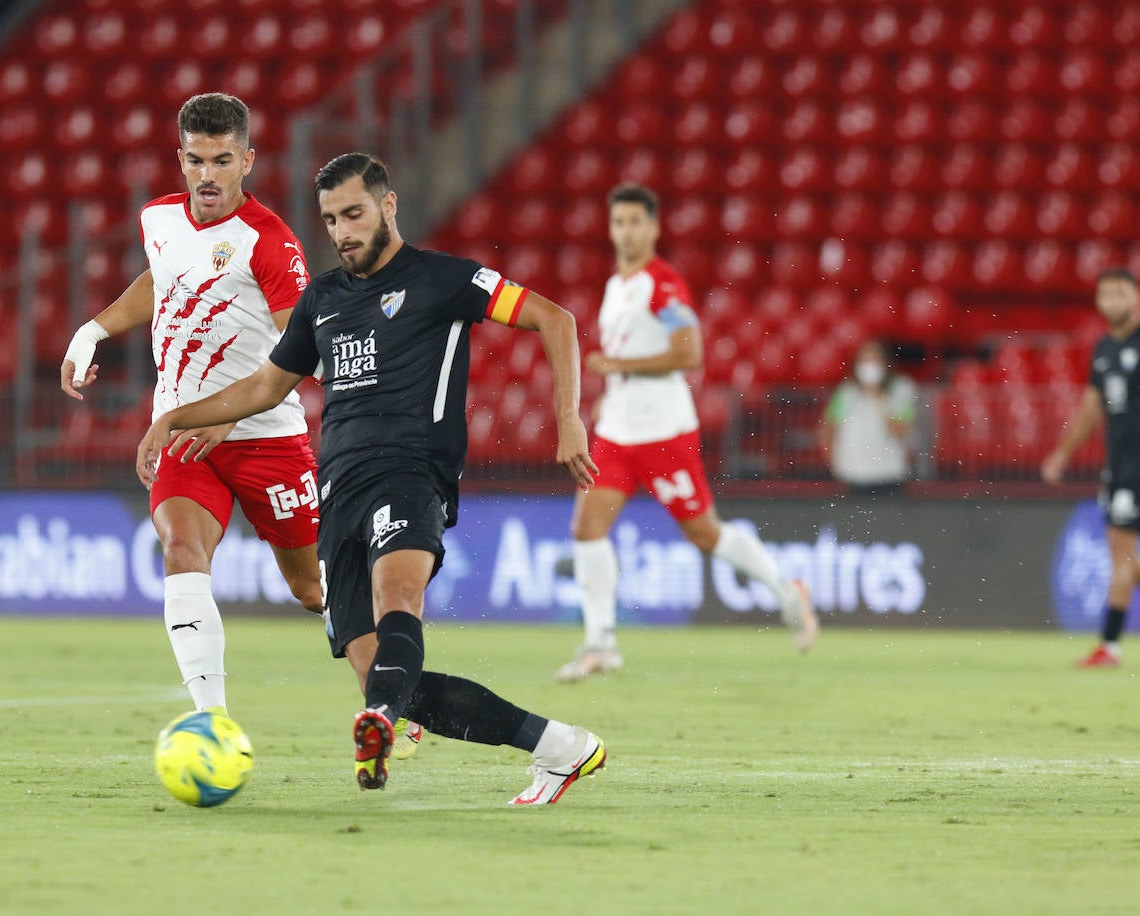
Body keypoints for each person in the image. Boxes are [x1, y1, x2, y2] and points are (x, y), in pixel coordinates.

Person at [138, 152, 606, 805]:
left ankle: (382, 722)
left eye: (354, 214)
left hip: (412, 472)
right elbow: (267, 385)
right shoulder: (323, 299)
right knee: (385, 676)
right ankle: (560, 747)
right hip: (340, 493)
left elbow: (555, 318)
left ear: (388, 206)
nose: (342, 231)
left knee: (398, 599)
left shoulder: (448, 280)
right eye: (331, 220)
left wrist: (569, 419)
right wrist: (174, 419)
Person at [59, 95, 424, 757]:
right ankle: (212, 722)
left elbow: (300, 347)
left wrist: (228, 417)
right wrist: (93, 328)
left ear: (246, 160)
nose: (208, 174)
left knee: (314, 588)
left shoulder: (271, 243)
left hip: (266, 439)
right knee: (180, 551)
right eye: (196, 159)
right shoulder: (159, 219)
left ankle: (396, 702)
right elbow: (161, 279)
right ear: (180, 158)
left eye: (223, 160)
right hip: (184, 436)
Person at [557, 183, 818, 683]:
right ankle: (600, 642)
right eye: (619, 222)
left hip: (664, 434)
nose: (627, 231)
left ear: (653, 227)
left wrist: (616, 363)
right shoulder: (617, 286)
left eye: (636, 221)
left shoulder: (665, 283)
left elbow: (689, 353)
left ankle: (787, 589)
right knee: (587, 529)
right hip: (616, 432)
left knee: (703, 533)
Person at [1043, 266, 1140, 668]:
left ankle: (1109, 646)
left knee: (1123, 558)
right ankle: (1109, 647)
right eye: (1105, 294)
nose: (1112, 301)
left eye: (1120, 293)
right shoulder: (1103, 349)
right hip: (1120, 467)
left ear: (1135, 296)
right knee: (1123, 557)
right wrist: (1063, 452)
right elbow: (1089, 409)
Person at [818, 339, 917, 495]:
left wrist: (878, 397)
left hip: (889, 474)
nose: (869, 366)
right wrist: (834, 462)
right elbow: (828, 427)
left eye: (875, 360)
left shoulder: (901, 389)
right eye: (864, 360)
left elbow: (900, 430)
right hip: (853, 476)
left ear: (885, 363)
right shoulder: (846, 392)